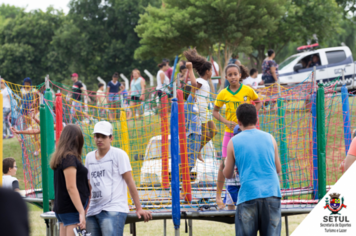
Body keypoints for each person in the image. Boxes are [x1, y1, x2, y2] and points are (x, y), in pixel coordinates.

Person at [224, 104, 282, 236]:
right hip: (272, 193)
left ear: (238, 122)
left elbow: (228, 174)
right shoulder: (270, 137)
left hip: (248, 195)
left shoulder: (233, 141)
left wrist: (223, 167)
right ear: (256, 119)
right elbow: (278, 169)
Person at [85, 121, 152, 235]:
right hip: (93, 211)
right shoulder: (89, 157)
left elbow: (130, 182)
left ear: (111, 138)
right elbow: (89, 186)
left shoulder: (119, 155)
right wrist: (85, 210)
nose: (99, 139)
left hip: (113, 209)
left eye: (103, 136)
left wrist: (138, 208)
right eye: (97, 136)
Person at [213, 63, 262, 209]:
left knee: (249, 161)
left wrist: (250, 117)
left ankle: (252, 194)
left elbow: (259, 102)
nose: (233, 77)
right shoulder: (223, 93)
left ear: (240, 75)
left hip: (246, 132)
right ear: (226, 77)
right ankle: (218, 196)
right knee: (223, 163)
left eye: (236, 74)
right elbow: (215, 112)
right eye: (230, 75)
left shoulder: (248, 90)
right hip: (230, 134)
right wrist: (226, 121)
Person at [50, 125, 90, 236]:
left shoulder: (61, 157)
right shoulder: (69, 158)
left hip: (64, 209)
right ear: (77, 138)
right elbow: (71, 187)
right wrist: (81, 211)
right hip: (71, 209)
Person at [183, 48, 217, 162]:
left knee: (214, 132)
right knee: (206, 134)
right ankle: (196, 152)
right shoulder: (200, 81)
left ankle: (198, 151)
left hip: (205, 111)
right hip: (200, 112)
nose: (212, 73)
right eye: (211, 70)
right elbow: (193, 85)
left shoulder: (205, 82)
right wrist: (190, 70)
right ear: (207, 71)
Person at [184, 62, 204, 167]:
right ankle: (183, 180)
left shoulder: (192, 105)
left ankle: (198, 154)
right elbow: (194, 85)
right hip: (193, 135)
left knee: (191, 163)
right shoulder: (188, 104)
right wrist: (190, 69)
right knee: (190, 164)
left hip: (196, 135)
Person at [223, 125, 241, 210]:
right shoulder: (231, 148)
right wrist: (230, 170)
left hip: (243, 184)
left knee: (243, 204)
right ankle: (232, 218)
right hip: (231, 184)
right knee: (231, 205)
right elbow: (226, 160)